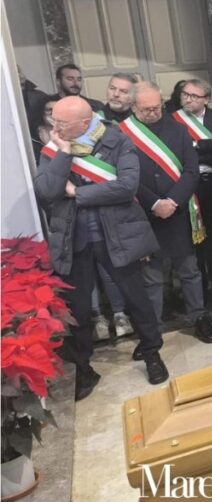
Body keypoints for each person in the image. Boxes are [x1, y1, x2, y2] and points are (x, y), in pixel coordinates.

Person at [34, 96, 168, 399]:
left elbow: (126, 187)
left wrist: (78, 194)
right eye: (54, 120)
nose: (55, 127)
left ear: (85, 122)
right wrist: (64, 152)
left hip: (117, 236)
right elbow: (47, 191)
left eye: (62, 122)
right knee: (77, 310)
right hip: (73, 240)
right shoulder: (54, 148)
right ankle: (83, 368)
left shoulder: (117, 141)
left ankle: (152, 353)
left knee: (137, 300)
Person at [126, 82, 212, 345]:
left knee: (189, 270)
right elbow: (126, 176)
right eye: (146, 109)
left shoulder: (177, 129)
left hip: (178, 211)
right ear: (133, 107)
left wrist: (173, 201)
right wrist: (155, 203)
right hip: (146, 213)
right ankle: (152, 330)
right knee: (152, 277)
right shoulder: (123, 134)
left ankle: (198, 316)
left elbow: (191, 171)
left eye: (157, 107)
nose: (153, 112)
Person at [173, 78, 212, 299]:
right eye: (185, 94)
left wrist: (198, 146)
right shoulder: (172, 120)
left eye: (194, 96)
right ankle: (201, 290)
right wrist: (205, 147)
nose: (188, 99)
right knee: (195, 239)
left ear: (206, 99)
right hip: (188, 187)